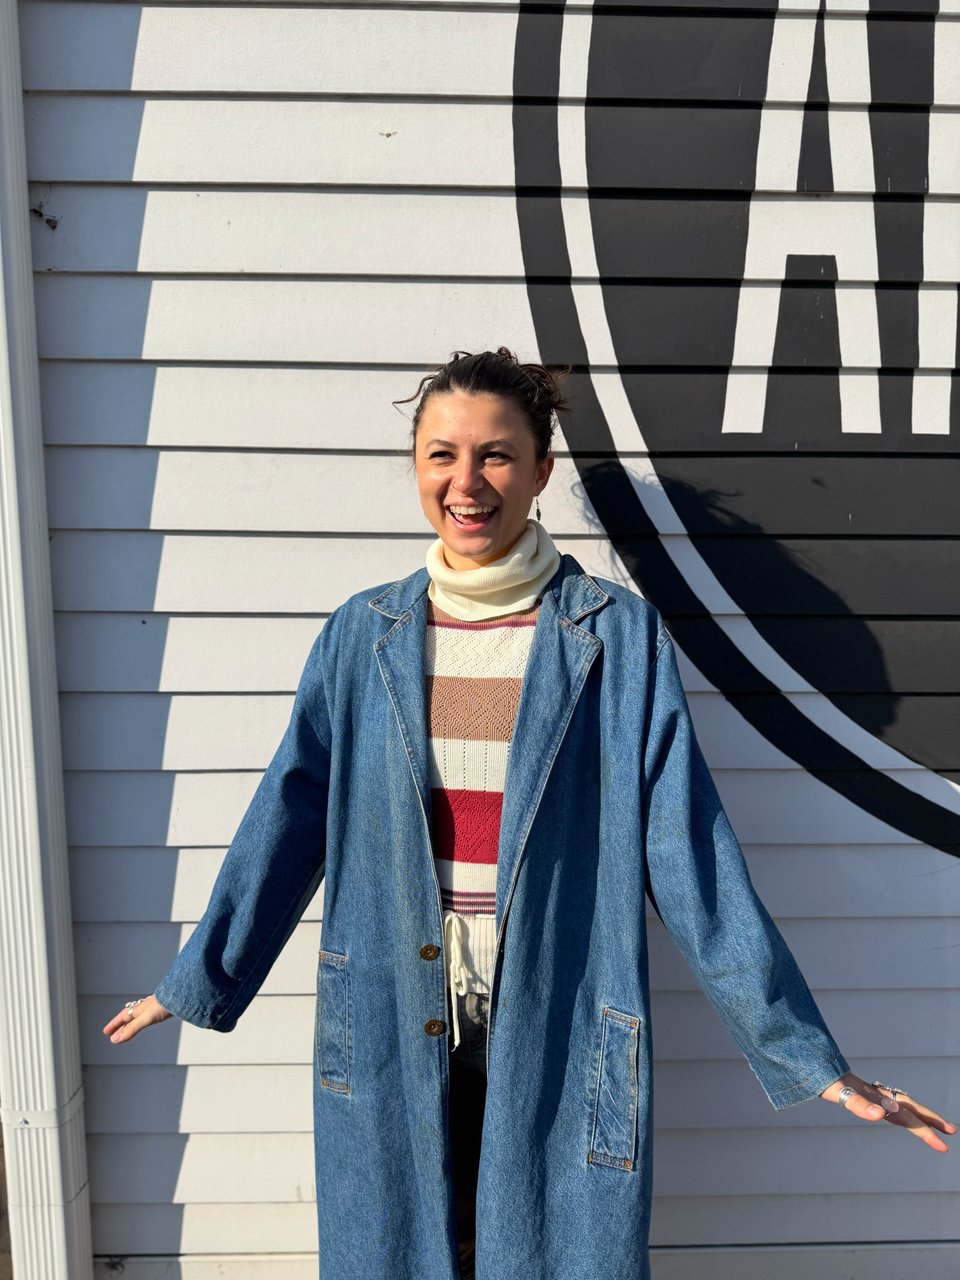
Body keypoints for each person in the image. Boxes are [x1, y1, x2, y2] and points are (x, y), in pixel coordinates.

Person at [104, 347, 954, 1280]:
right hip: (392, 1006)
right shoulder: (364, 636)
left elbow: (688, 854)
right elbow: (289, 815)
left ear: (542, 470)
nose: (466, 483)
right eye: (441, 455)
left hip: (559, 1013)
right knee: (399, 1246)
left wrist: (810, 1058)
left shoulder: (615, 638)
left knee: (552, 1250)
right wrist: (196, 981)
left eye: (496, 456)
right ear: (416, 467)